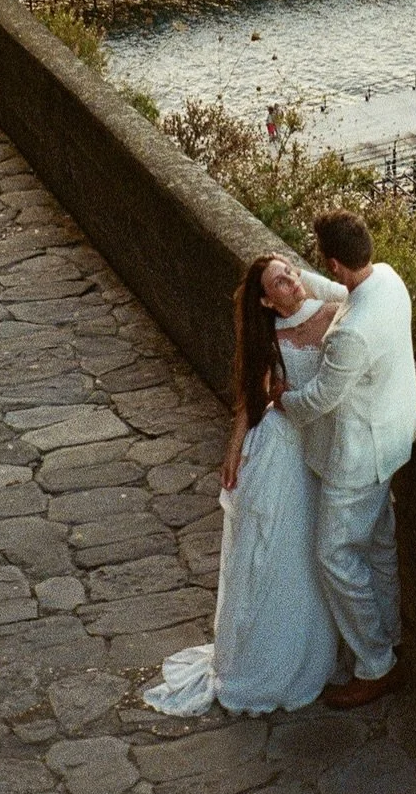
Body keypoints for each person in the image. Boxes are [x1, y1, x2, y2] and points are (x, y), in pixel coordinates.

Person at [276, 209, 416, 709]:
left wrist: (280, 401)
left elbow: (320, 398)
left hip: (356, 459)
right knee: (380, 546)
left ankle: (376, 665)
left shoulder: (349, 334)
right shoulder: (388, 281)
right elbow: (397, 354)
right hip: (393, 442)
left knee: (335, 556)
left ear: (336, 261)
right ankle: (390, 634)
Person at [143, 253, 344, 715]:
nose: (292, 281)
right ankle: (263, 660)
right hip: (279, 447)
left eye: (291, 272)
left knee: (311, 550)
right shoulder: (267, 335)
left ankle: (308, 649)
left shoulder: (332, 312)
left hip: (318, 445)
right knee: (272, 552)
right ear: (265, 300)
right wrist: (234, 448)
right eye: (280, 281)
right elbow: (252, 397)